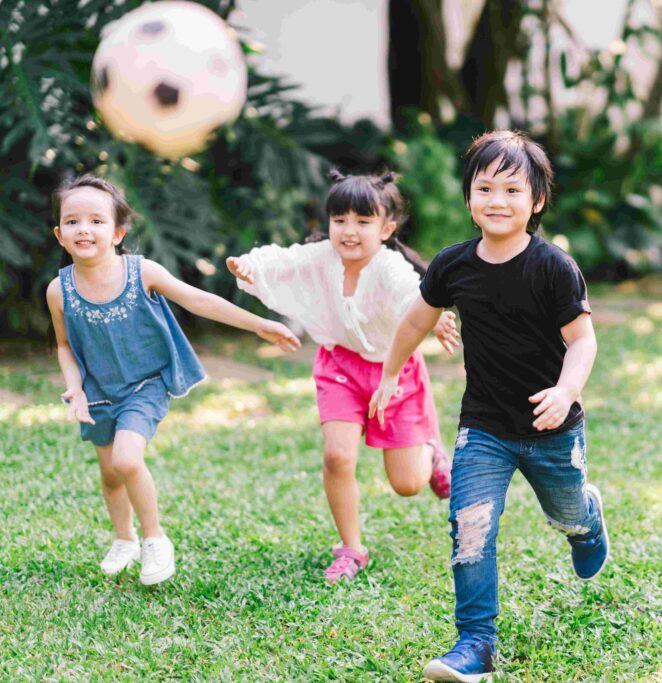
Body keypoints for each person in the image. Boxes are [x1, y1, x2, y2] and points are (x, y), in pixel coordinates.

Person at [369, 130, 610, 682]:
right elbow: (415, 321)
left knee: (565, 513)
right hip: (484, 428)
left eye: (512, 189)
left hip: (552, 429)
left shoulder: (554, 267)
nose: (496, 201)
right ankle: (475, 643)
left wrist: (566, 390)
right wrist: (387, 375)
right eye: (484, 188)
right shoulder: (453, 266)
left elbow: (583, 340)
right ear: (469, 197)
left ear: (537, 200)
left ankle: (586, 522)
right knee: (469, 524)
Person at [47, 174, 301, 585]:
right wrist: (74, 387)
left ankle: (155, 539)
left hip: (144, 384)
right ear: (60, 234)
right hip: (97, 392)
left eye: (96, 220)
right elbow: (63, 345)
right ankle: (124, 539)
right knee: (110, 475)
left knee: (126, 459)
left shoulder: (141, 271)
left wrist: (258, 325)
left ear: (117, 232)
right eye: (73, 221)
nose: (84, 229)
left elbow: (198, 300)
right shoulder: (58, 291)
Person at [227, 170, 458, 583]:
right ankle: (351, 548)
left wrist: (435, 317)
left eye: (363, 222)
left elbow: (413, 295)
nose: (349, 231)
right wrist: (250, 266)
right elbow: (283, 258)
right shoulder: (322, 258)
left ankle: (432, 452)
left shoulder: (388, 267)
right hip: (339, 368)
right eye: (340, 220)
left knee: (407, 484)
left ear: (386, 228)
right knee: (337, 456)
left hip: (393, 369)